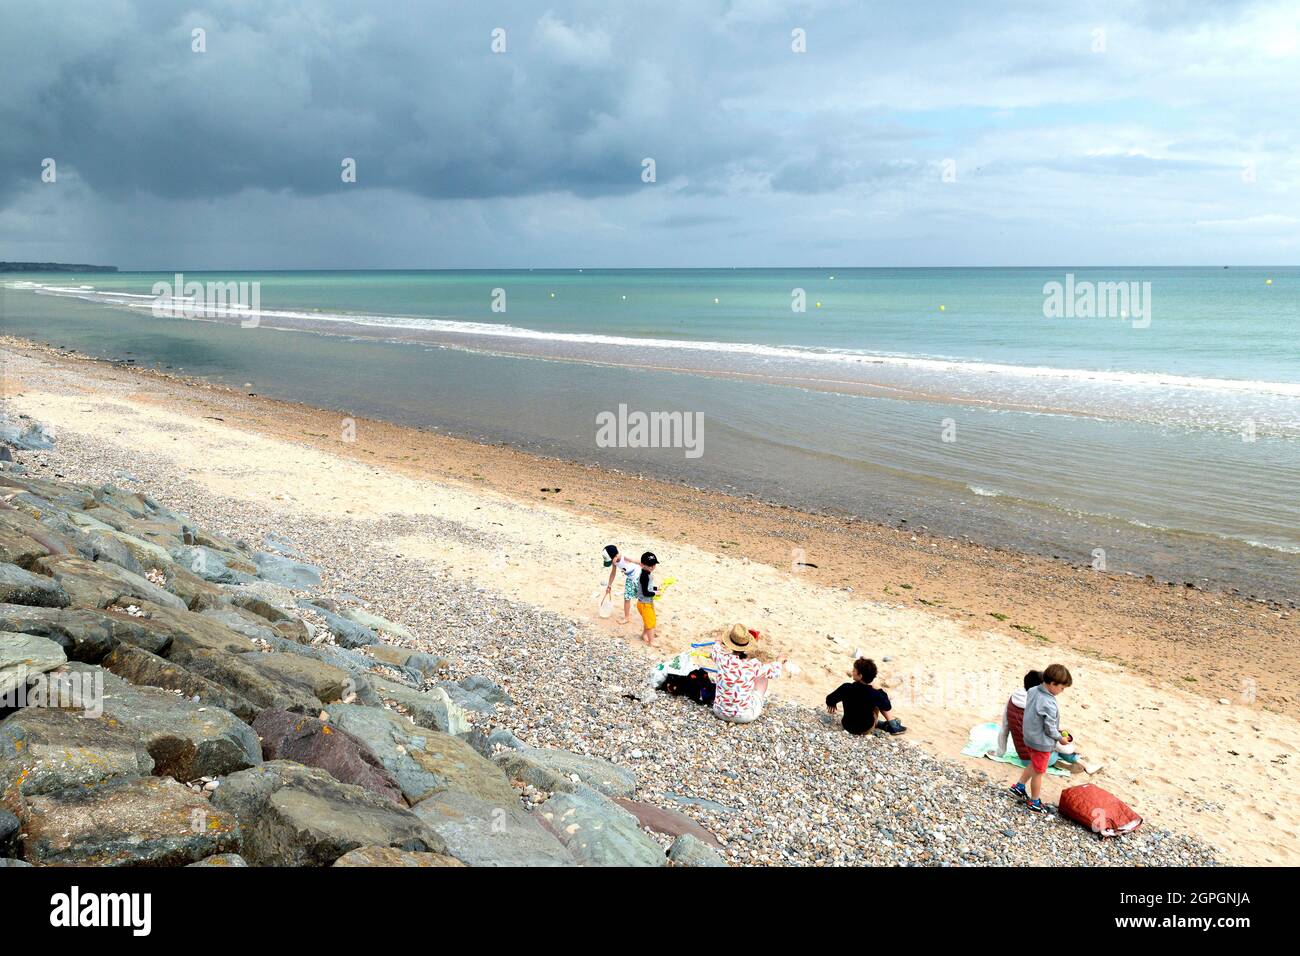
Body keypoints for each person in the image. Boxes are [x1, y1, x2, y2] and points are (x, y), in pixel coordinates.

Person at [1012, 663, 1073, 813]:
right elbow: (1049, 729)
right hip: (1041, 743)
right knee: (1039, 773)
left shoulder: (1032, 690)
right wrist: (1060, 738)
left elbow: (1037, 716)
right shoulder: (1049, 703)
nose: (1062, 691)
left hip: (1029, 737)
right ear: (1053, 684)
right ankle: (1034, 801)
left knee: (1034, 763)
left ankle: (1019, 786)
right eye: (1062, 688)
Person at [997, 669, 1078, 766]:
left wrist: (1000, 753)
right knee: (1061, 748)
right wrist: (1064, 741)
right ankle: (1075, 760)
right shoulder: (1043, 704)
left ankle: (1072, 760)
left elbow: (1004, 729)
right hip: (1038, 759)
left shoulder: (1013, 698)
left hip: (1023, 758)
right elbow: (1048, 737)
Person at [709, 624, 785, 723]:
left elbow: (715, 649)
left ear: (728, 642)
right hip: (744, 716)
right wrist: (779, 661)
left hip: (719, 712)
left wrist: (718, 641)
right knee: (763, 676)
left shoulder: (721, 657)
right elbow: (775, 672)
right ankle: (751, 698)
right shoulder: (752, 665)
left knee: (752, 675)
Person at [826, 657, 906, 735]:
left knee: (866, 704)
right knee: (879, 702)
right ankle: (893, 725)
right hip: (865, 729)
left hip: (847, 726)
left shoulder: (846, 687)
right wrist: (879, 690)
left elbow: (829, 699)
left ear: (860, 676)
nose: (852, 671)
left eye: (854, 670)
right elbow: (887, 706)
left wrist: (832, 704)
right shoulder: (873, 693)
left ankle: (882, 724)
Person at [602, 545, 646, 625]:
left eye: (610, 561)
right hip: (630, 579)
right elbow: (613, 573)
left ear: (615, 556)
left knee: (643, 598)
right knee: (627, 598)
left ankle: (647, 616)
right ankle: (626, 618)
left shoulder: (625, 557)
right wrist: (609, 586)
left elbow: (639, 562)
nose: (611, 563)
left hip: (639, 578)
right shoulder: (614, 562)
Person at [634, 552, 661, 645]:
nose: (652, 567)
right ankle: (651, 641)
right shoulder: (644, 576)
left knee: (648, 620)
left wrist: (655, 588)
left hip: (645, 603)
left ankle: (643, 635)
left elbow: (646, 587)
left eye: (654, 564)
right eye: (649, 565)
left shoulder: (647, 573)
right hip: (645, 604)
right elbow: (645, 592)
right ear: (642, 565)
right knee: (651, 623)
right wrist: (655, 593)